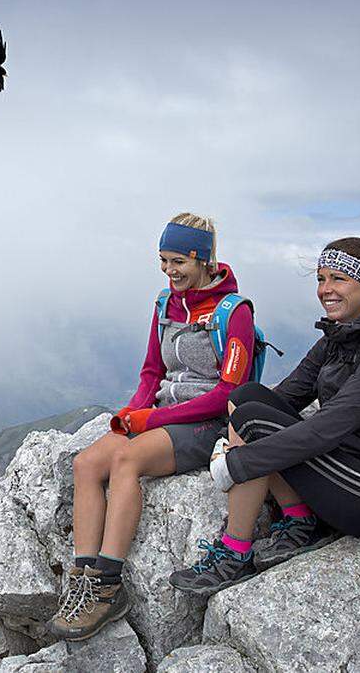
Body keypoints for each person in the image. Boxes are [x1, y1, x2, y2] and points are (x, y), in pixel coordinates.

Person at [168, 237, 360, 597]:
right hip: (345, 470)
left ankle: (234, 554)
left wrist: (240, 462)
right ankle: (300, 520)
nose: (325, 290)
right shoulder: (338, 339)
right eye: (321, 279)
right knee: (246, 399)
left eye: (339, 279)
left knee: (252, 422)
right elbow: (281, 399)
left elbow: (327, 427)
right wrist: (227, 439)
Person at [48, 213, 257, 641]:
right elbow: (151, 371)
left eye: (178, 261)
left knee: (126, 460)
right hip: (165, 415)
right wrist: (131, 414)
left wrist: (151, 420)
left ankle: (107, 588)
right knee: (88, 463)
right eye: (163, 261)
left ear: (202, 259)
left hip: (210, 423)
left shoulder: (235, 313)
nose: (170, 271)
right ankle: (83, 578)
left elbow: (228, 392)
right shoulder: (166, 304)